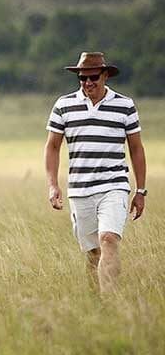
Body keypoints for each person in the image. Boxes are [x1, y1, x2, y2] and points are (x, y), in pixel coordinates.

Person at [45, 52, 146, 294]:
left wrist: (140, 190)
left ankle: (110, 302)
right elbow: (52, 146)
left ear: (105, 75)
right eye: (82, 78)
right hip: (80, 189)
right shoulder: (63, 105)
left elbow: (136, 148)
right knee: (93, 252)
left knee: (109, 239)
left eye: (93, 77)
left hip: (114, 185)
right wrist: (52, 184)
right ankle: (97, 304)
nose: (88, 83)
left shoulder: (125, 105)